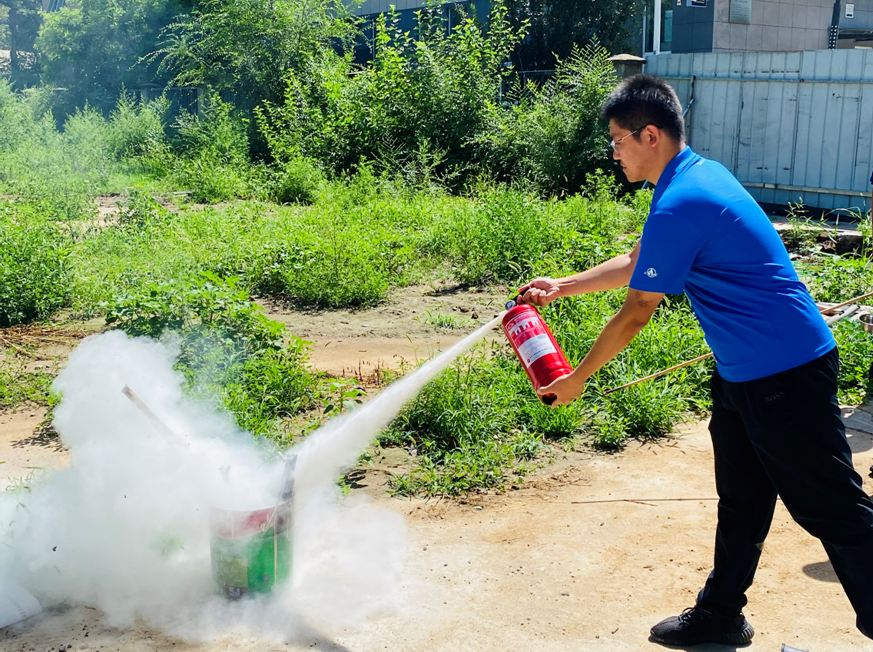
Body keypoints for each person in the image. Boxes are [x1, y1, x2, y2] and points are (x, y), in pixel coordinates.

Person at [518, 74, 873, 647]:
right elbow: (640, 260)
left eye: (617, 141)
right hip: (742, 374)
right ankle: (720, 614)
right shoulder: (693, 178)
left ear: (650, 135)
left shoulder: (683, 199)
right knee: (742, 498)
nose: (613, 153)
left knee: (834, 510)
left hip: (785, 373)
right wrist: (563, 286)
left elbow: (638, 309)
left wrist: (576, 379)